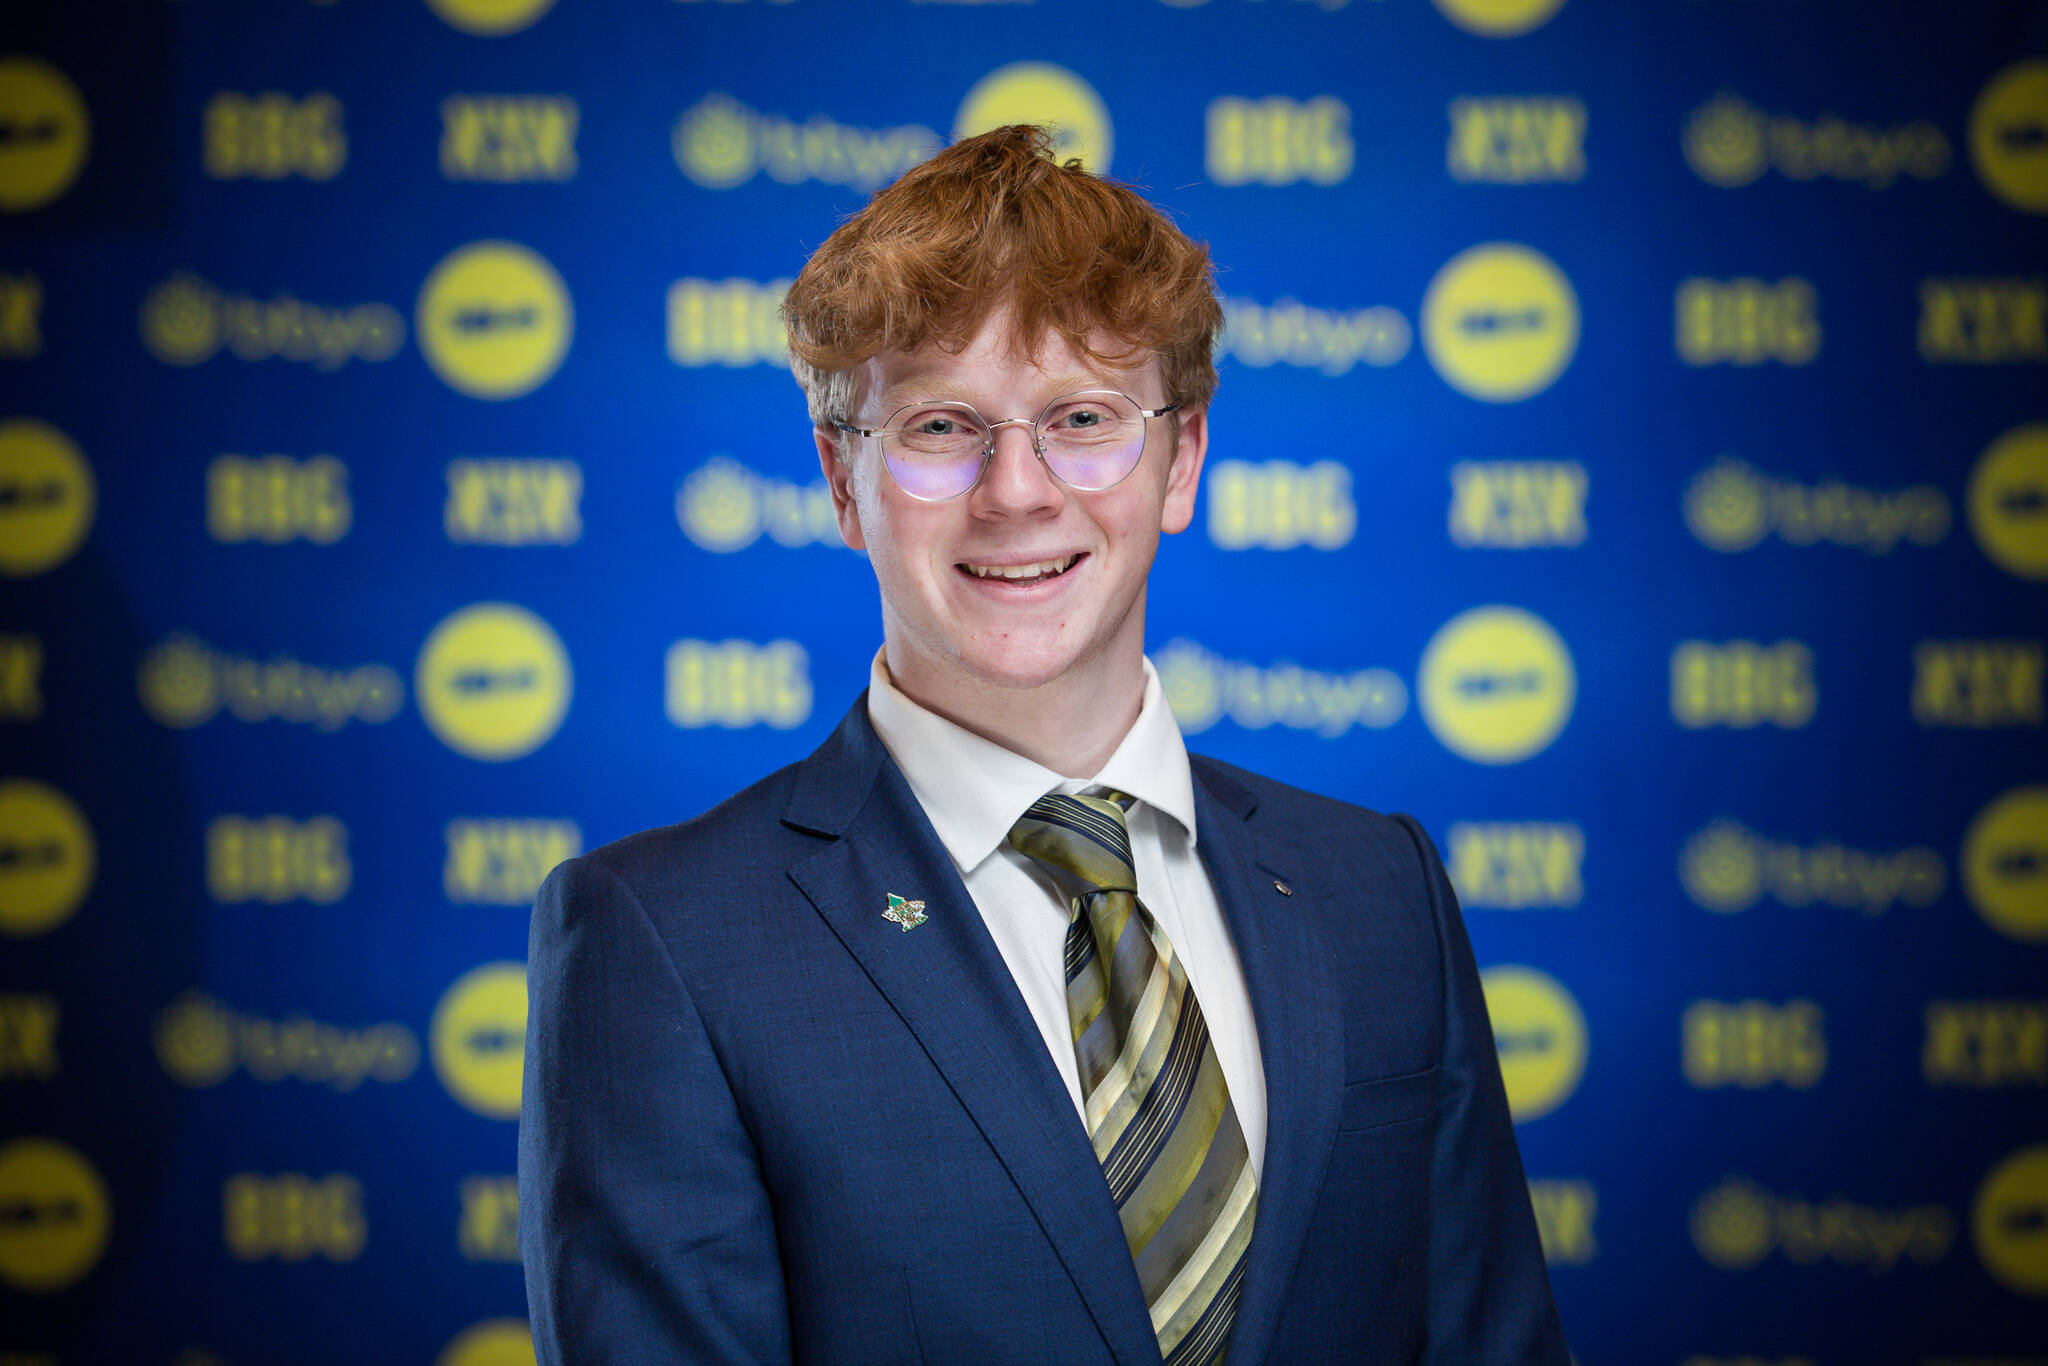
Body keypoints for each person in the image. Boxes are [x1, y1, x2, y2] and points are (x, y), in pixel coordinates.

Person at [519, 124, 1570, 1365]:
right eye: (939, 427)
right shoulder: (662, 940)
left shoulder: (1378, 889)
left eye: (1081, 417)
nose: (1015, 491)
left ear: (1181, 458)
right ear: (841, 484)